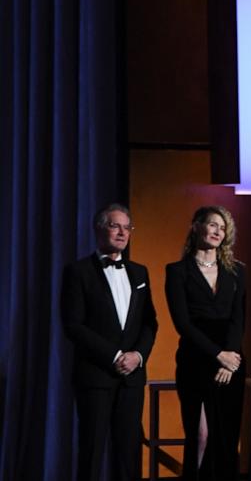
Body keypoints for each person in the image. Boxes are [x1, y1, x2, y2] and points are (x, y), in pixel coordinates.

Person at [61, 203, 158, 481]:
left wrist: (138, 355)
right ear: (100, 228)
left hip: (132, 379)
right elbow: (73, 325)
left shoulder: (140, 272)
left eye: (127, 227)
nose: (122, 233)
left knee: (128, 453)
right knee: (92, 451)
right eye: (116, 226)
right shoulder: (78, 272)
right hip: (96, 376)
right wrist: (115, 356)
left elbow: (150, 322)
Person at [165, 206, 245, 480]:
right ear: (197, 226)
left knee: (225, 439)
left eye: (222, 228)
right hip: (195, 361)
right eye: (212, 225)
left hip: (231, 364)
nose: (217, 231)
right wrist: (218, 355)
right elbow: (183, 324)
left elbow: (238, 318)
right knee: (200, 435)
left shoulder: (236, 272)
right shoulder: (177, 271)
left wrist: (230, 356)